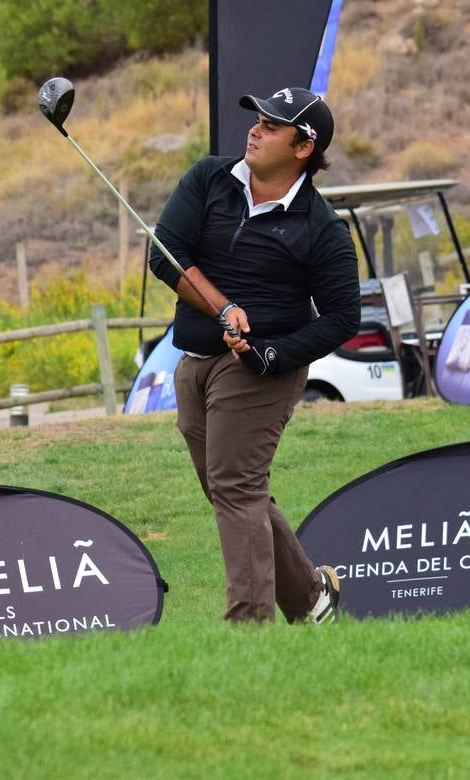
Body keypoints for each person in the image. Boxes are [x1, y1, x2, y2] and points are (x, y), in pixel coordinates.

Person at [149, 87, 360, 624]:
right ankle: (313, 600)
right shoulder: (208, 179)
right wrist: (224, 308)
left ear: (303, 147)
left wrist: (273, 354)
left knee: (236, 488)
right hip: (194, 358)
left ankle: (249, 627)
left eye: (272, 125)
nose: (256, 129)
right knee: (231, 490)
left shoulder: (321, 228)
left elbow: (342, 318)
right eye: (258, 119)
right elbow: (165, 255)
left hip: (259, 371)